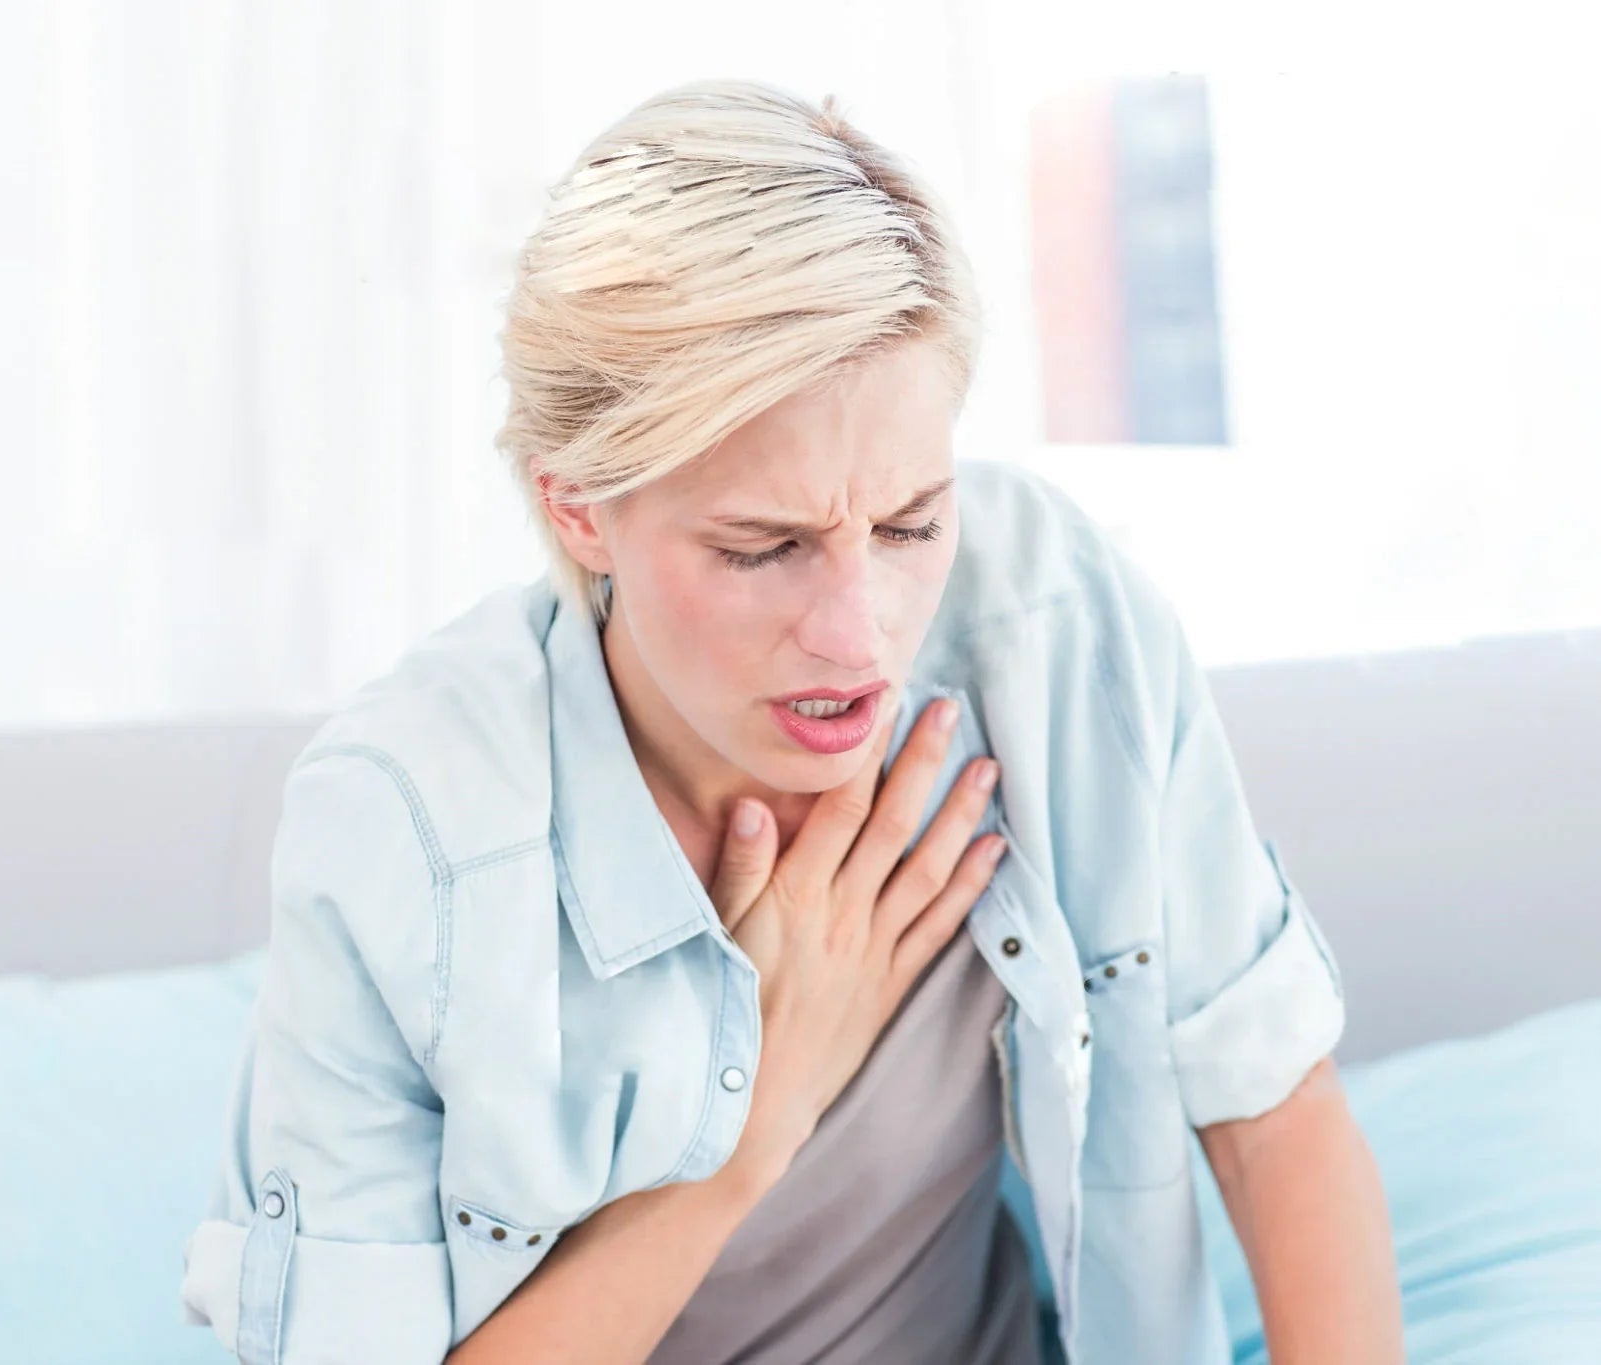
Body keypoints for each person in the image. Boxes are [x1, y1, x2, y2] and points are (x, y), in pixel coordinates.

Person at [179, 77, 1404, 1365]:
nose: (862, 632)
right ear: (581, 509)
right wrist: (755, 1112)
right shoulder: (400, 821)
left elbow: (1276, 1121)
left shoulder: (1050, 618)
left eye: (912, 523)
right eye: (764, 547)